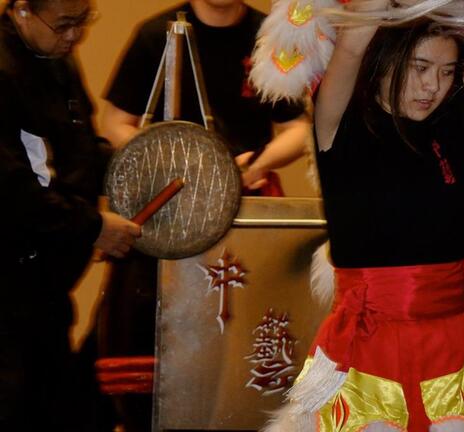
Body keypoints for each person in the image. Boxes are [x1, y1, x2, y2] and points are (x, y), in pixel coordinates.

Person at [265, 1, 464, 429]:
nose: (433, 85)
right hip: (368, 347)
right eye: (420, 67)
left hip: (457, 342)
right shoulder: (343, 126)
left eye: (447, 72)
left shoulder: (448, 134)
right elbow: (353, 47)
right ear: (386, 60)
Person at [94, 1, 311, 431]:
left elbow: (298, 127)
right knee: (157, 352)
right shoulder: (157, 33)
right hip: (168, 213)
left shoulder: (271, 36)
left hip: (243, 213)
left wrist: (257, 164)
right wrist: (173, 161)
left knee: (242, 350)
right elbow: (115, 123)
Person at [0, 0, 140, 429]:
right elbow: (9, 188)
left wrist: (135, 166)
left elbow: (78, 151)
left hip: (46, 289)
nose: (75, 36)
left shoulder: (56, 57)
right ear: (22, 10)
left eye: (83, 22)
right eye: (64, 24)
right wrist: (94, 227)